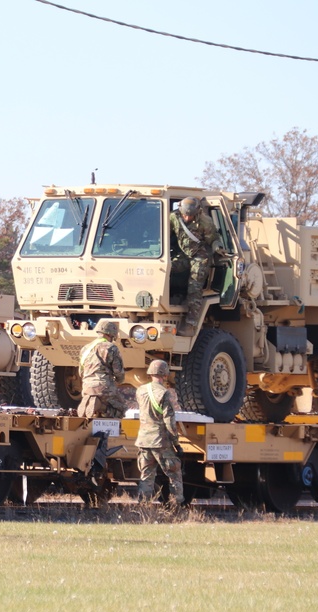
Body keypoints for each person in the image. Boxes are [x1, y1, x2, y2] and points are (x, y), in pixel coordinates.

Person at [169, 196, 225, 337]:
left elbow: (214, 239)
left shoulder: (205, 221)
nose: (187, 218)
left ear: (197, 212)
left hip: (200, 255)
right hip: (183, 254)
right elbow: (165, 235)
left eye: (190, 216)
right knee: (166, 270)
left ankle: (190, 325)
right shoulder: (173, 218)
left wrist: (218, 247)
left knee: (195, 286)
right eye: (184, 215)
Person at [135, 359, 184, 505]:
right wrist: (177, 444)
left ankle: (143, 507)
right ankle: (176, 507)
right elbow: (169, 421)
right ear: (165, 375)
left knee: (146, 476)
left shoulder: (140, 391)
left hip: (143, 440)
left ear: (150, 373)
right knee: (174, 474)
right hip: (160, 441)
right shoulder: (164, 394)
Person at [77, 320, 126, 419]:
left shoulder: (85, 349)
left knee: (96, 396)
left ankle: (90, 404)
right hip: (104, 387)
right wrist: (119, 381)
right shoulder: (111, 348)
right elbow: (118, 372)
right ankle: (102, 408)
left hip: (86, 387)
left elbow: (80, 372)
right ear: (111, 335)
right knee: (121, 409)